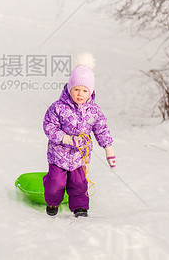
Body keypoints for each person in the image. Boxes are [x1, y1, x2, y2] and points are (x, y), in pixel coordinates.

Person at [42, 53, 115, 217]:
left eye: (84, 90)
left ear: (90, 91)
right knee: (56, 183)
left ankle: (80, 208)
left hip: (79, 156)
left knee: (79, 183)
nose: (80, 94)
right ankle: (52, 202)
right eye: (76, 89)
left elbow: (101, 129)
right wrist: (65, 138)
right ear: (70, 88)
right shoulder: (58, 107)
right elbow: (49, 126)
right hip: (58, 154)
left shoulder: (94, 111)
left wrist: (108, 149)